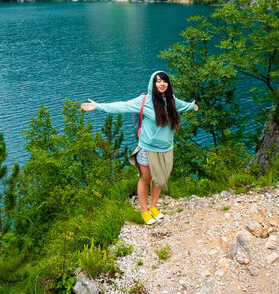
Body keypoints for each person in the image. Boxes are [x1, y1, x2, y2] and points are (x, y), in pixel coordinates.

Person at [81, 70, 199, 225]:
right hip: (147, 148)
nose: (162, 84)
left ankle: (154, 207)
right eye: (158, 81)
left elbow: (186, 106)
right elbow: (122, 106)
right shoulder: (145, 101)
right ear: (153, 83)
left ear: (168, 84)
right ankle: (144, 211)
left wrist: (193, 106)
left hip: (166, 148)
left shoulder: (172, 101)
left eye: (164, 81)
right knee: (145, 179)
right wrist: (98, 107)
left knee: (159, 179)